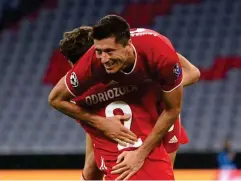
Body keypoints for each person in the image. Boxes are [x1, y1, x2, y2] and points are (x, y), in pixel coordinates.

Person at [49, 15, 192, 180]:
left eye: (109, 51)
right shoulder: (92, 70)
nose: (104, 59)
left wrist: (153, 90)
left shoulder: (157, 52)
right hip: (139, 123)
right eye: (99, 52)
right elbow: (55, 99)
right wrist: (101, 122)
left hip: (161, 116)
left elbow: (189, 77)